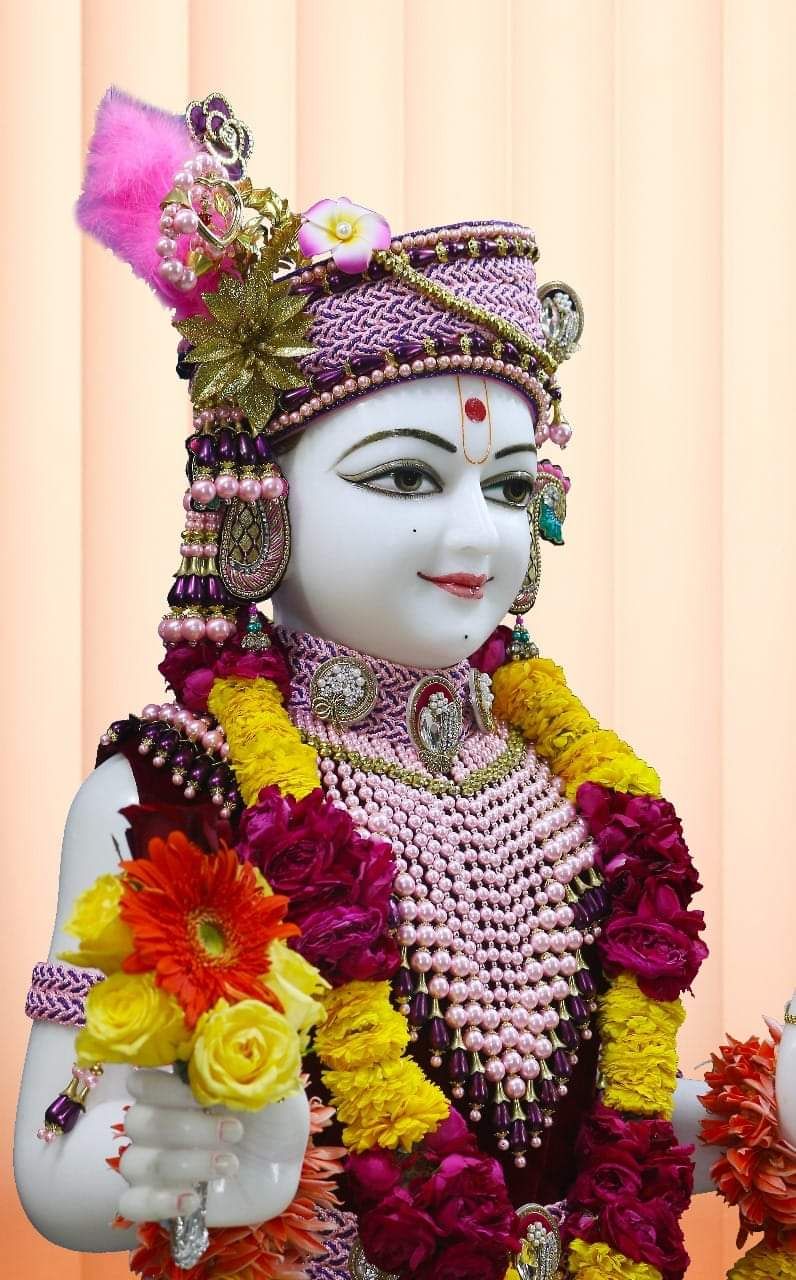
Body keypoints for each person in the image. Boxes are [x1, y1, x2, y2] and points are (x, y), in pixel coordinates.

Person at [13, 87, 796, 1280]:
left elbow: (593, 1140)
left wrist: (758, 1118)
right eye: (404, 479)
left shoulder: (566, 779)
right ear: (259, 497)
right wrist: (234, 1156)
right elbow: (57, 1162)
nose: (474, 537)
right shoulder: (172, 790)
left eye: (505, 485)